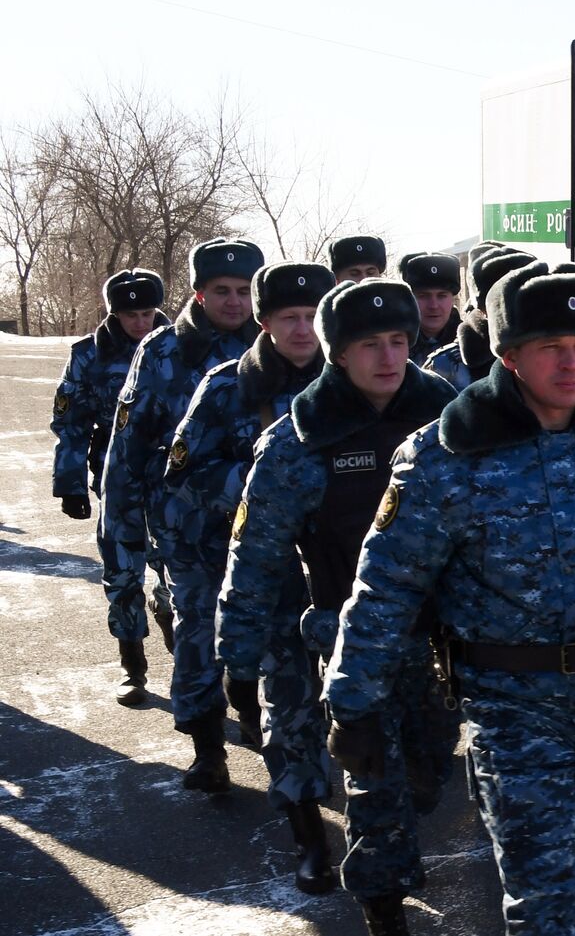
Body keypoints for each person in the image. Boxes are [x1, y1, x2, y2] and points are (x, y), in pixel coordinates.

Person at [324, 261, 575, 936]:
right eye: (550, 349)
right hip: (511, 710)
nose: (571, 365)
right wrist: (352, 702)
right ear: (509, 355)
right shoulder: (446, 453)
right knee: (550, 910)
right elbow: (386, 585)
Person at [217, 277, 459, 932]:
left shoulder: (453, 417)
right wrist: (236, 656)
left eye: (399, 341)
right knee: (374, 783)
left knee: (431, 771)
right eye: (368, 344)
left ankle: (401, 830)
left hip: (442, 639)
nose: (387, 356)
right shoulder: (300, 440)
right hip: (352, 641)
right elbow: (256, 553)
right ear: (339, 353)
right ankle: (382, 902)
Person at [164, 262, 333, 869]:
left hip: (342, 576)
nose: (303, 329)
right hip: (266, 574)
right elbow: (181, 486)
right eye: (290, 317)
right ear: (265, 322)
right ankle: (307, 827)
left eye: (314, 316)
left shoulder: (357, 381)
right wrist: (261, 483)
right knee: (288, 702)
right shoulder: (225, 388)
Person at [99, 238, 263, 736]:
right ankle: (206, 741)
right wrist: (120, 521)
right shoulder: (163, 351)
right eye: (221, 290)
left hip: (260, 518)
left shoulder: (276, 344)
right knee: (198, 625)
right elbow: (127, 444)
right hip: (184, 518)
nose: (234, 301)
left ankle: (253, 710)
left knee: (260, 620)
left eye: (242, 290)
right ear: (198, 294)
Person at [52, 269, 174, 705]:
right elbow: (71, 422)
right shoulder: (89, 355)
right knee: (122, 574)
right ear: (114, 314)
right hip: (117, 476)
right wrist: (70, 483)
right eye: (130, 314)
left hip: (173, 479)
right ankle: (133, 666)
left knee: (177, 570)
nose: (141, 322)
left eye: (147, 312)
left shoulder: (181, 348)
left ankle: (176, 634)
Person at [423, 242, 535, 391]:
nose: (517, 311)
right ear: (482, 307)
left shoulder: (556, 358)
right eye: (502, 304)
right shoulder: (445, 367)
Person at [399, 251, 463, 365]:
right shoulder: (395, 345)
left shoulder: (472, 344)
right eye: (423, 296)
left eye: (441, 296)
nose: (433, 305)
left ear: (453, 298)